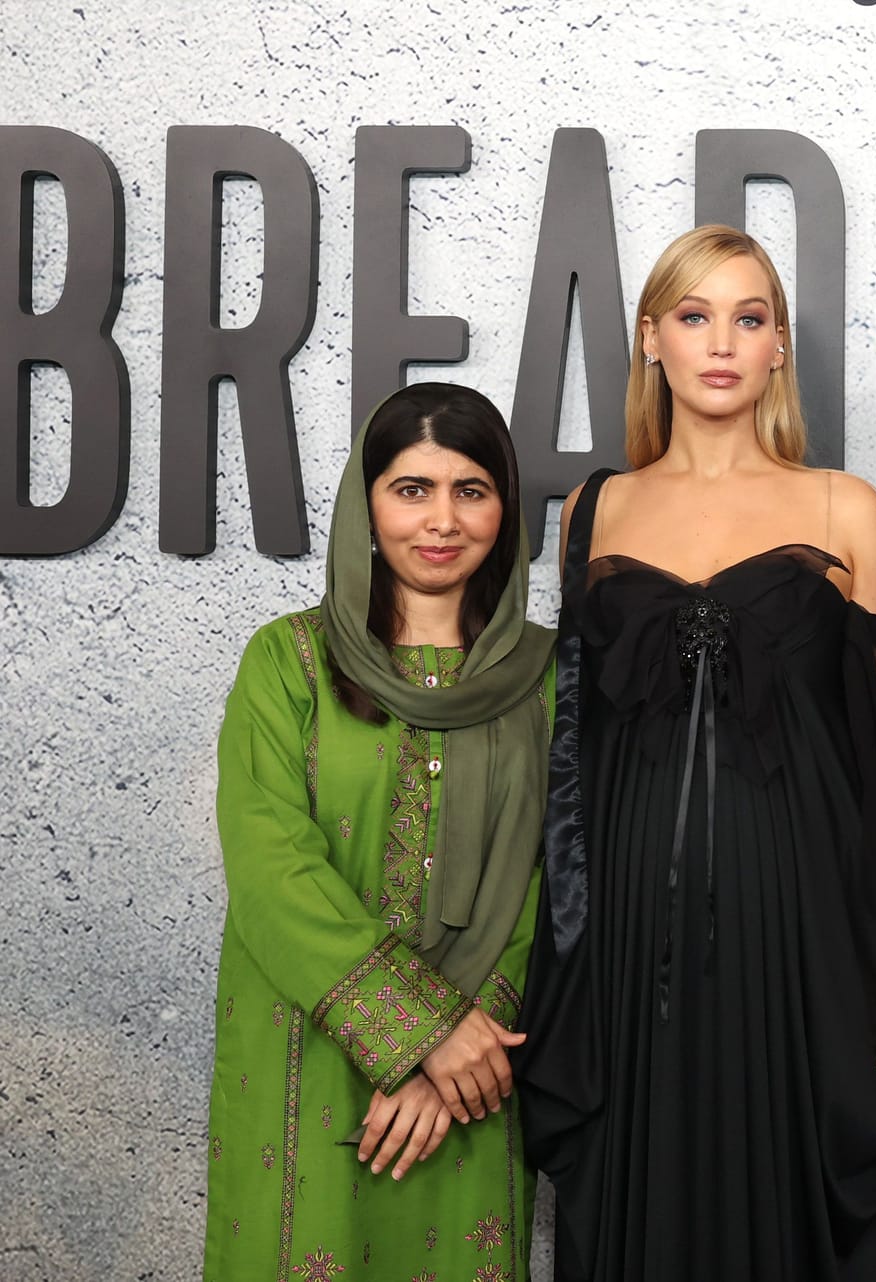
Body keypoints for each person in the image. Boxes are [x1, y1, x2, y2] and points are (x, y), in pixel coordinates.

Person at [513, 224, 876, 1281]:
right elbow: (574, 742)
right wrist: (564, 941)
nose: (722, 342)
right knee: (632, 1189)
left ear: (779, 347)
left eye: (749, 319)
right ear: (652, 338)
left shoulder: (847, 507)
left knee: (794, 1186)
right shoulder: (593, 508)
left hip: (797, 916)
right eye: (695, 316)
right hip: (625, 925)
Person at [204, 383, 557, 1281]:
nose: (442, 521)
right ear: (366, 501)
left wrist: (465, 1044)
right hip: (308, 1056)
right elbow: (271, 864)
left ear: (506, 509)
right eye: (412, 489)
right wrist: (420, 1032)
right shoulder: (287, 662)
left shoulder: (547, 676)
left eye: (471, 491)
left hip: (482, 1066)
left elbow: (557, 878)